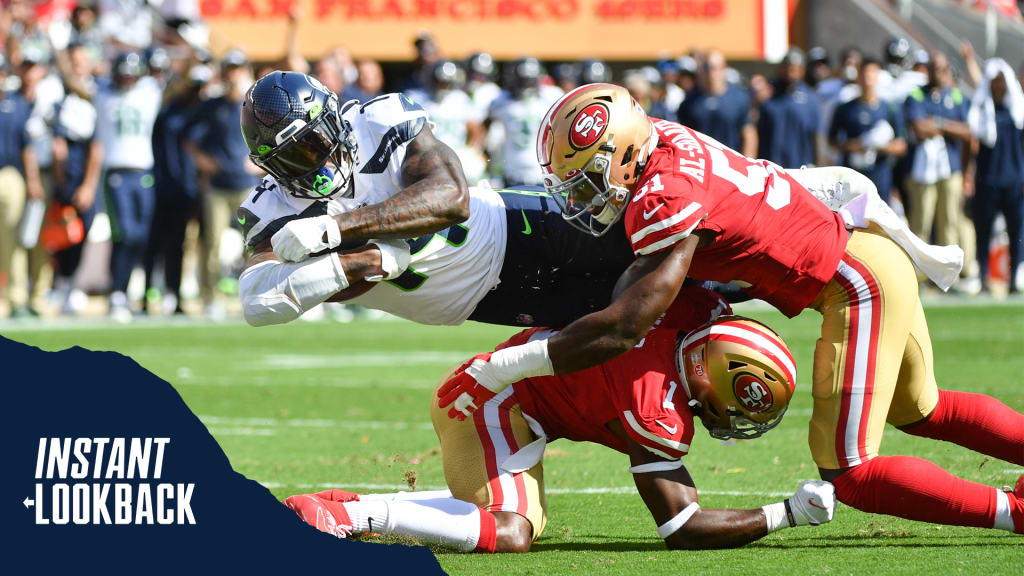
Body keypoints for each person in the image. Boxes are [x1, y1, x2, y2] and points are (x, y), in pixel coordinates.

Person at [439, 83, 1024, 536]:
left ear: (626, 152)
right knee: (920, 409)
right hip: (870, 257)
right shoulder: (662, 138)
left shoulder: (664, 197)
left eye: (588, 178)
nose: (582, 195)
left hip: (856, 282)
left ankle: (1014, 516)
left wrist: (512, 366)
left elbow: (627, 323)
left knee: (850, 474)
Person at [283, 290, 836, 551]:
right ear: (711, 372)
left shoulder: (688, 312)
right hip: (493, 402)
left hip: (512, 398)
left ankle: (340, 506)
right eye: (739, 402)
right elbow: (681, 527)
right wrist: (786, 514)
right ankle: (352, 518)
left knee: (515, 519)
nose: (735, 418)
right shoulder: (654, 403)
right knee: (511, 531)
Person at [236, 72, 634, 329]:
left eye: (316, 142)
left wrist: (332, 229)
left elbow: (450, 199)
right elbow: (257, 302)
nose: (315, 162)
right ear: (267, 166)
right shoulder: (271, 211)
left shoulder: (379, 121)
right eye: (293, 158)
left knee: (639, 254)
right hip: (486, 303)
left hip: (516, 227)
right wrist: (359, 261)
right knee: (624, 323)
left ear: (335, 118)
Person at [186, 50, 263, 318]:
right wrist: (202, 161)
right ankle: (212, 298)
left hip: (245, 185)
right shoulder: (212, 105)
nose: (234, 74)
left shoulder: (252, 105)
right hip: (218, 186)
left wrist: (259, 164)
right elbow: (188, 138)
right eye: (230, 68)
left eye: (238, 68)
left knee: (253, 244)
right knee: (213, 245)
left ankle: (253, 294)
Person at [93, 51, 162, 321]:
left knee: (141, 236)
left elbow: (176, 81)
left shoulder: (148, 93)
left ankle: (127, 291)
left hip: (143, 172)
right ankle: (117, 293)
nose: (127, 78)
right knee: (125, 234)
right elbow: (77, 82)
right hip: (116, 173)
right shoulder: (104, 95)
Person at [903, 52, 976, 288]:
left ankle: (948, 277)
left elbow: (967, 131)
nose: (939, 73)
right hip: (922, 169)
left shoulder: (954, 95)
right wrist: (944, 127)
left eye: (942, 69)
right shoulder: (916, 95)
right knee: (921, 220)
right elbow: (919, 128)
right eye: (934, 68)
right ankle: (918, 275)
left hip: (951, 166)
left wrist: (940, 124)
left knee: (950, 222)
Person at [49, 42, 100, 315]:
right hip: (65, 174)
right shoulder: (59, 94)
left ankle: (72, 284)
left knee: (83, 229)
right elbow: (57, 142)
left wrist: (89, 184)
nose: (78, 65)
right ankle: (60, 283)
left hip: (84, 173)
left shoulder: (96, 92)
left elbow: (96, 146)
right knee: (61, 233)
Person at [968, 58, 1024, 294]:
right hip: (987, 181)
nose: (999, 86)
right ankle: (983, 277)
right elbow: (970, 145)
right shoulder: (981, 111)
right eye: (994, 82)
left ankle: (1015, 277)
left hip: (1014, 181)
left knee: (1016, 231)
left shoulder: (1016, 110)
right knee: (983, 231)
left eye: (1002, 82)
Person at [830, 59, 907, 203]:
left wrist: (880, 146)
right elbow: (832, 140)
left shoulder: (889, 109)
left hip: (879, 173)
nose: (868, 78)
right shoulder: (845, 108)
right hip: (853, 173)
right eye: (864, 74)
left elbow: (902, 145)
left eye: (872, 73)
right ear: (858, 77)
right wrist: (855, 146)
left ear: (878, 76)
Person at [0, 51, 42, 318]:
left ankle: (16, 297)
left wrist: (33, 180)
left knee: (12, 238)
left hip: (9, 173)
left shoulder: (17, 104)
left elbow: (27, 148)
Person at [486, 58, 562, 187]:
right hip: (512, 173)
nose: (526, 85)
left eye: (529, 80)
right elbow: (486, 130)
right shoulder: (502, 102)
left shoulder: (550, 98)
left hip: (543, 173)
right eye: (523, 80)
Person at [677, 50, 756, 157]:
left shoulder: (739, 98)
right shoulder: (689, 102)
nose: (711, 73)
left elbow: (749, 134)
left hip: (732, 165)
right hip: (701, 165)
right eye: (706, 68)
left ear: (724, 69)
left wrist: (748, 166)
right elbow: (682, 138)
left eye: (714, 67)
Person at [757, 47, 822, 168]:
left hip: (801, 168)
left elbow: (817, 135)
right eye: (786, 67)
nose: (790, 72)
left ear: (802, 70)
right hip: (771, 167)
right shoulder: (767, 93)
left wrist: (818, 165)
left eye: (794, 68)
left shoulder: (810, 98)